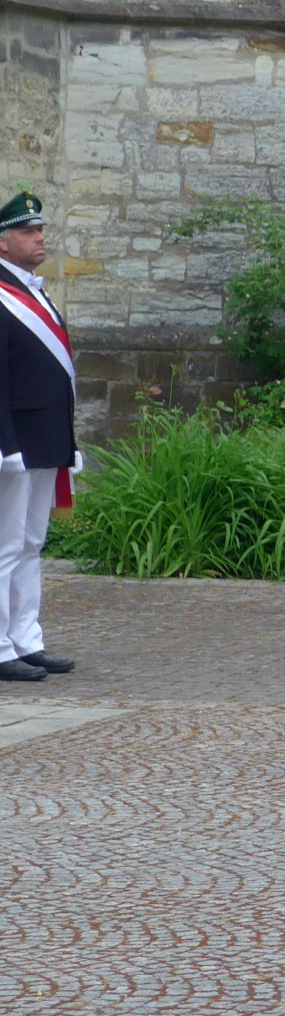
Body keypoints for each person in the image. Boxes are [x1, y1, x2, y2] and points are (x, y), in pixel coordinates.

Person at [0, 191, 78, 684]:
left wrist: (68, 441)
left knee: (31, 544)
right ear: (3, 243)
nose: (39, 238)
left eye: (40, 230)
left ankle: (26, 639)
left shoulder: (36, 293)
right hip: (15, 445)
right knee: (5, 546)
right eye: (27, 232)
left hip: (45, 438)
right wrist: (5, 446)